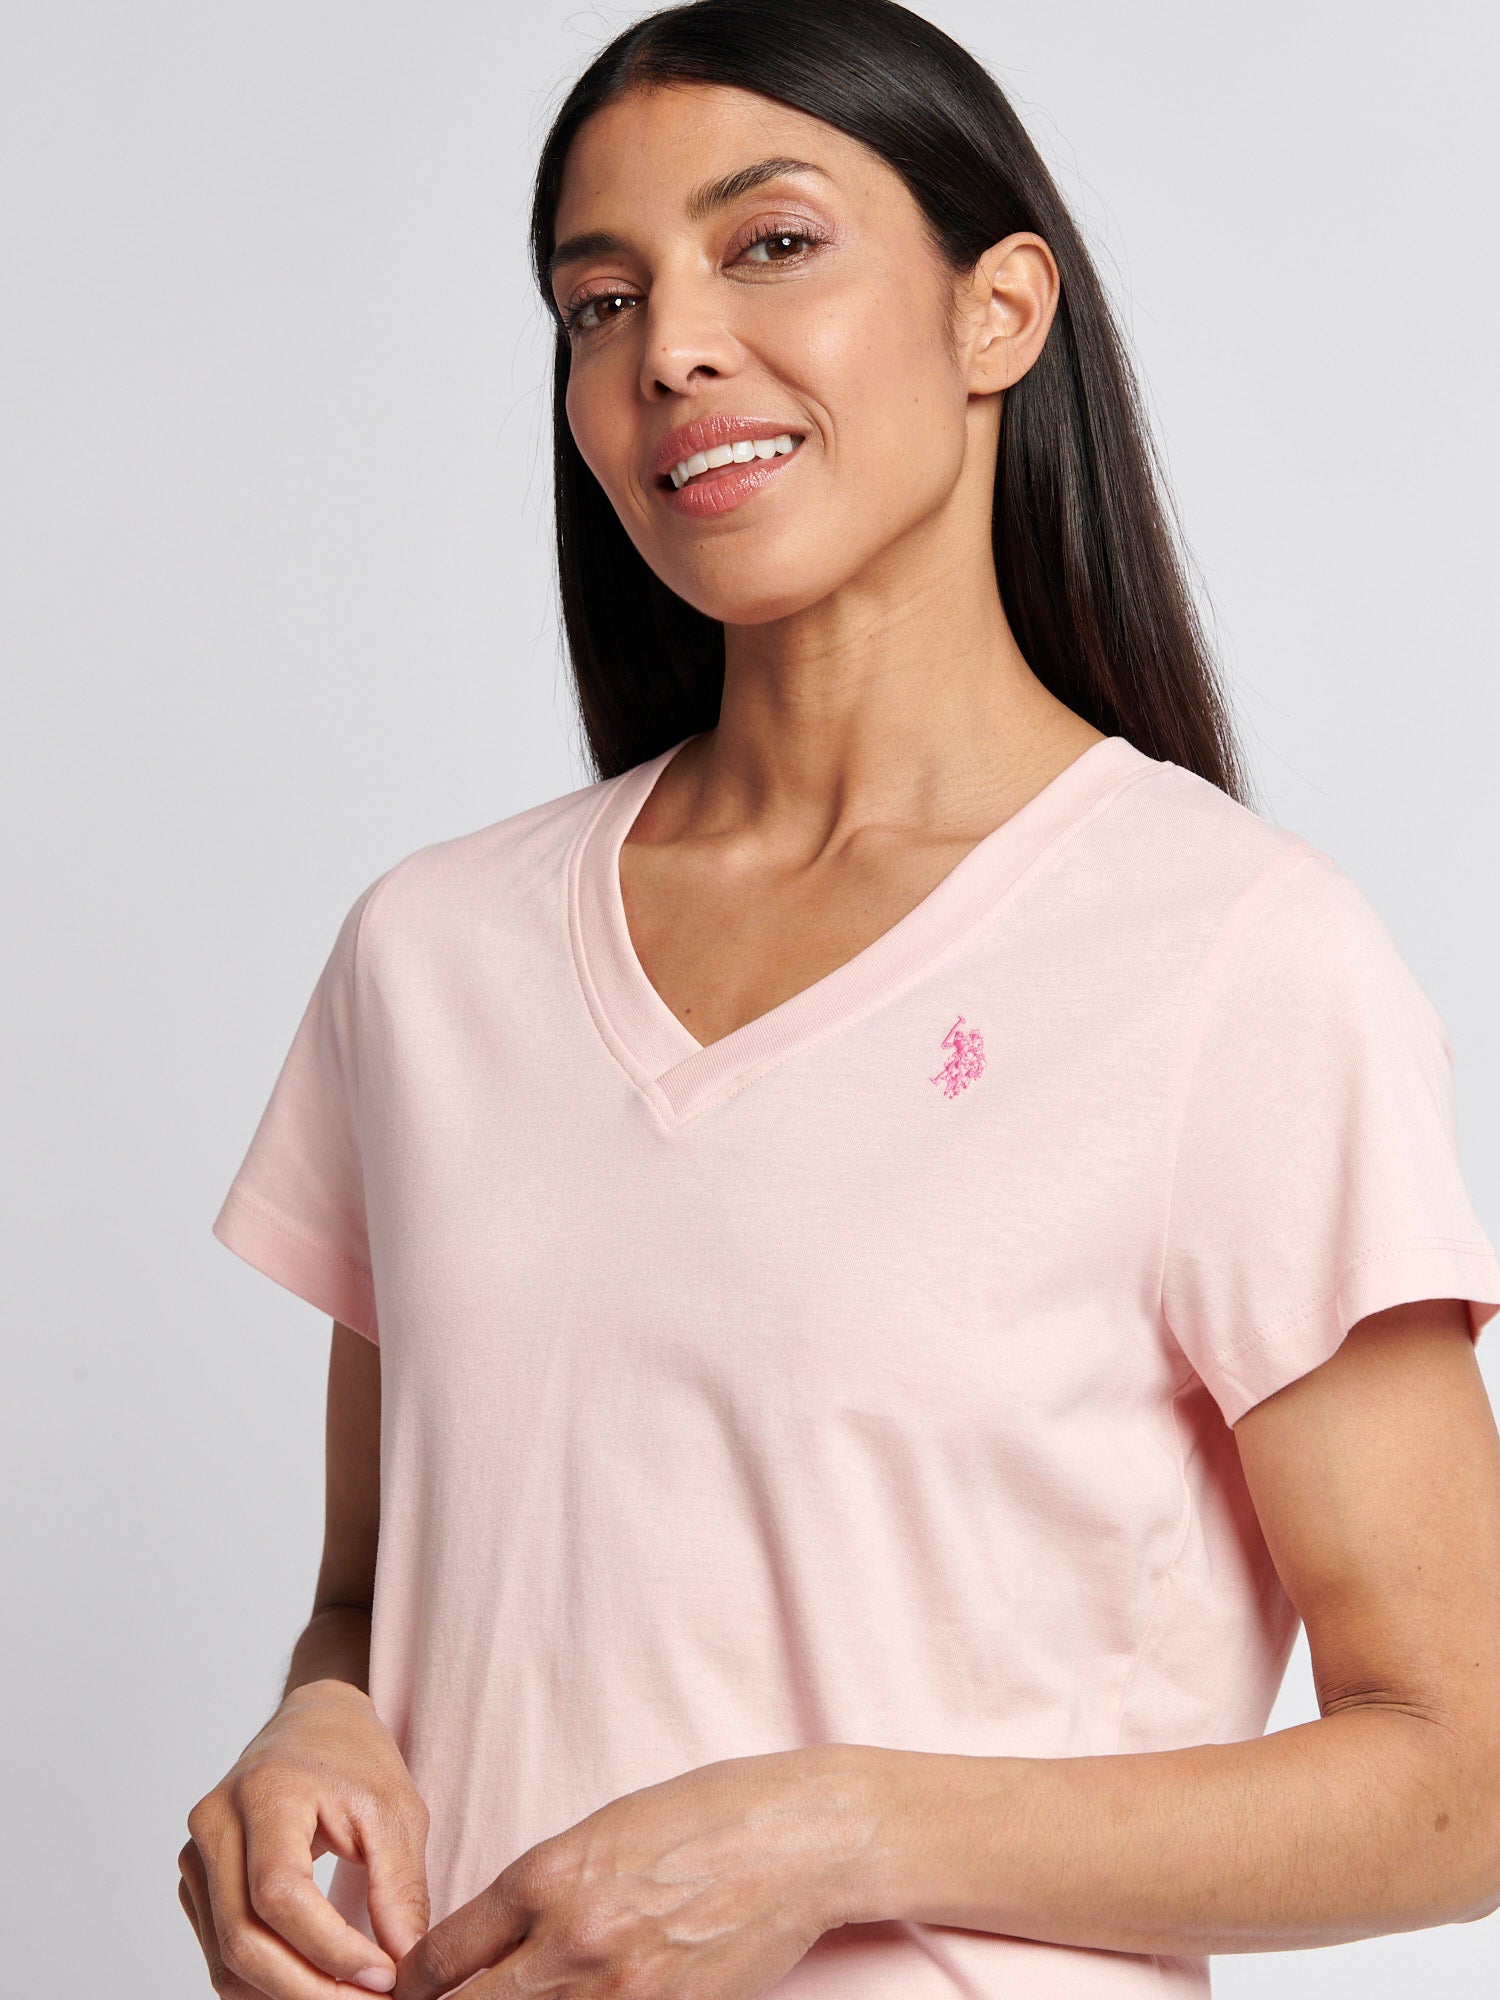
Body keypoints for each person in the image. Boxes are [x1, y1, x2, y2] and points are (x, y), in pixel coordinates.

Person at [179, 2, 1500, 1996]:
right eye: (601, 300)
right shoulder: (430, 956)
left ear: (1000, 311)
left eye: (771, 243)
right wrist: (318, 1727)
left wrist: (841, 1836)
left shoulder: (1231, 956)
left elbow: (1462, 1778)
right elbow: (377, 1598)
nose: (670, 347)